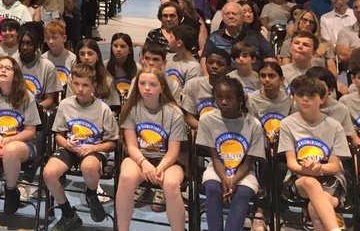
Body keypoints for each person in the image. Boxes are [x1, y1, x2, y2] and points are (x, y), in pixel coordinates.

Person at [43, 63, 117, 231]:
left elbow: (113, 143)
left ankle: (91, 194)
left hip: (94, 149)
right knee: (49, 173)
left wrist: (92, 148)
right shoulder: (65, 105)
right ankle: (68, 214)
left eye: (85, 85)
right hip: (70, 148)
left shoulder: (103, 109)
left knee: (89, 166)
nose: (80, 89)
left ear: (94, 86)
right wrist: (66, 144)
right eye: (76, 84)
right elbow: (59, 135)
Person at [117, 68, 188, 231]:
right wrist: (144, 163)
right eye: (142, 83)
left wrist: (160, 168)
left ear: (162, 87)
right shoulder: (131, 108)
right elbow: (131, 146)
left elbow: (173, 151)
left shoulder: (174, 112)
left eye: (152, 84)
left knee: (170, 183)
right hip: (139, 159)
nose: (147, 88)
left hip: (168, 162)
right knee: (126, 176)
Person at [279, 74, 350, 231]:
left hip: (331, 179)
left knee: (315, 207)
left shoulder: (335, 126)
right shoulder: (287, 124)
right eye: (300, 94)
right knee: (310, 183)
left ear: (322, 99)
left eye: (311, 95)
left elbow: (334, 167)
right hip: (299, 178)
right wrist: (307, 169)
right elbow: (291, 162)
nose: (305, 99)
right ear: (293, 97)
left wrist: (319, 168)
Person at [196, 77, 264, 231]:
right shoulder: (207, 119)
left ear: (239, 99)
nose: (224, 102)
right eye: (219, 97)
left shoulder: (253, 124)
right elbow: (214, 156)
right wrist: (225, 178)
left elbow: (247, 163)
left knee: (243, 193)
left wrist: (233, 180)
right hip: (217, 168)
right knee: (213, 188)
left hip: (244, 172)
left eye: (229, 98)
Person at [0, 55, 41, 217]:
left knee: (11, 149)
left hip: (24, 143)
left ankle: (11, 190)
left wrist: (10, 140)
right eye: (0, 67)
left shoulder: (26, 96)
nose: (3, 70)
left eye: (8, 68)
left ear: (15, 74)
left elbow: (30, 131)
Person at [204, 2, 275, 65]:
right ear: (223, 18)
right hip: (223, 78)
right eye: (227, 14)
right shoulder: (214, 37)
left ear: (242, 17)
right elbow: (204, 59)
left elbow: (270, 57)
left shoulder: (255, 36)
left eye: (234, 14)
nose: (231, 16)